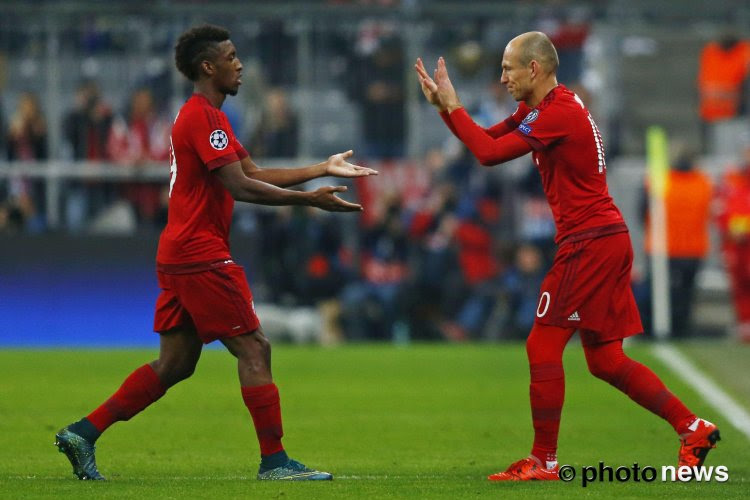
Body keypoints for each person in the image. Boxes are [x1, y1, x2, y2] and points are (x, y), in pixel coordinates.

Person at [54, 24, 377, 482]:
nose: (239, 63)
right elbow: (241, 186)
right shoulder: (201, 117)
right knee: (255, 347)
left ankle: (83, 433)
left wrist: (319, 168)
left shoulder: (209, 118)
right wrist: (311, 200)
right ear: (209, 66)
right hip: (199, 253)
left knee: (175, 364)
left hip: (180, 250)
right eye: (230, 56)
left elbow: (251, 170)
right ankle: (275, 461)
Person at [415, 31, 720, 481]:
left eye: (507, 68)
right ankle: (693, 428)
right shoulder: (548, 108)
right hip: (606, 237)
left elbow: (489, 153)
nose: (502, 78)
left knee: (541, 343)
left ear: (533, 69)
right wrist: (446, 108)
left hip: (590, 241)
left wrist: (452, 106)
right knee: (606, 360)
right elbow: (483, 138)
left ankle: (543, 461)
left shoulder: (557, 113)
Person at [641, 147, 713, 338]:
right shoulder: (702, 182)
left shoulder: (659, 180)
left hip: (671, 247)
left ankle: (668, 330)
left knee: (670, 294)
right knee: (679, 295)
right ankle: (674, 330)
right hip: (680, 248)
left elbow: (643, 211)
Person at [716, 143, 750, 342]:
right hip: (736, 245)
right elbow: (721, 211)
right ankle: (744, 325)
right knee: (739, 285)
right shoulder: (731, 181)